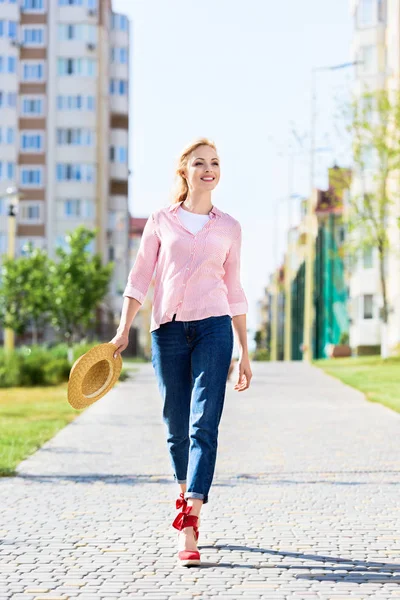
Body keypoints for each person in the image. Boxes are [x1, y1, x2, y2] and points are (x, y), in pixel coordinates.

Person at [110, 137, 252, 566]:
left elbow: (234, 288)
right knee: (176, 423)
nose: (208, 169)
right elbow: (139, 279)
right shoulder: (160, 221)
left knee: (203, 422)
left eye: (214, 162)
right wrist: (122, 333)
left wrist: (245, 350)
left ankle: (190, 519)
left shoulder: (229, 226)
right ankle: (184, 491)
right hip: (167, 331)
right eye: (199, 163)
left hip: (214, 328)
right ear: (184, 171)